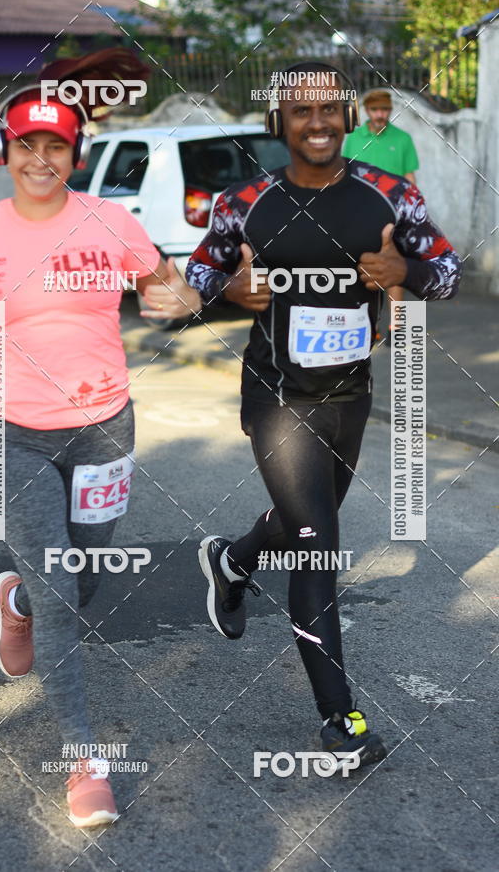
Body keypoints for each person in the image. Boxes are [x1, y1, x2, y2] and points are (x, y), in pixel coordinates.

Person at [0, 82, 201, 827]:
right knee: (65, 595)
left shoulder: (112, 220)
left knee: (85, 579)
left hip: (105, 427)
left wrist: (183, 301)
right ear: (7, 153)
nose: (41, 158)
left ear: (75, 153)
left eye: (56, 145)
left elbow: (166, 287)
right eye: (27, 145)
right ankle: (82, 760)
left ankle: (16, 601)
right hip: (10, 429)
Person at [187, 61, 460, 771]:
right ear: (280, 122)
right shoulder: (243, 201)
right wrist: (228, 292)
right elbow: (195, 281)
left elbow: (449, 270)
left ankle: (233, 558)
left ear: (344, 116)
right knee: (317, 545)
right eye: (301, 111)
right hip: (276, 398)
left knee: (301, 520)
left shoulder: (390, 196)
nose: (318, 122)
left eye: (329, 109)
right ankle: (341, 719)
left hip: (349, 397)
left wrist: (408, 276)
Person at [342, 88, 420, 343]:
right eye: (376, 110)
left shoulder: (403, 139)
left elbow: (410, 178)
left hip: (394, 215)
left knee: (394, 270)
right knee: (362, 270)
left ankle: (397, 327)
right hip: (359, 214)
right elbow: (344, 174)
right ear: (367, 111)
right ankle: (368, 326)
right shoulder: (353, 138)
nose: (380, 115)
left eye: (385, 110)